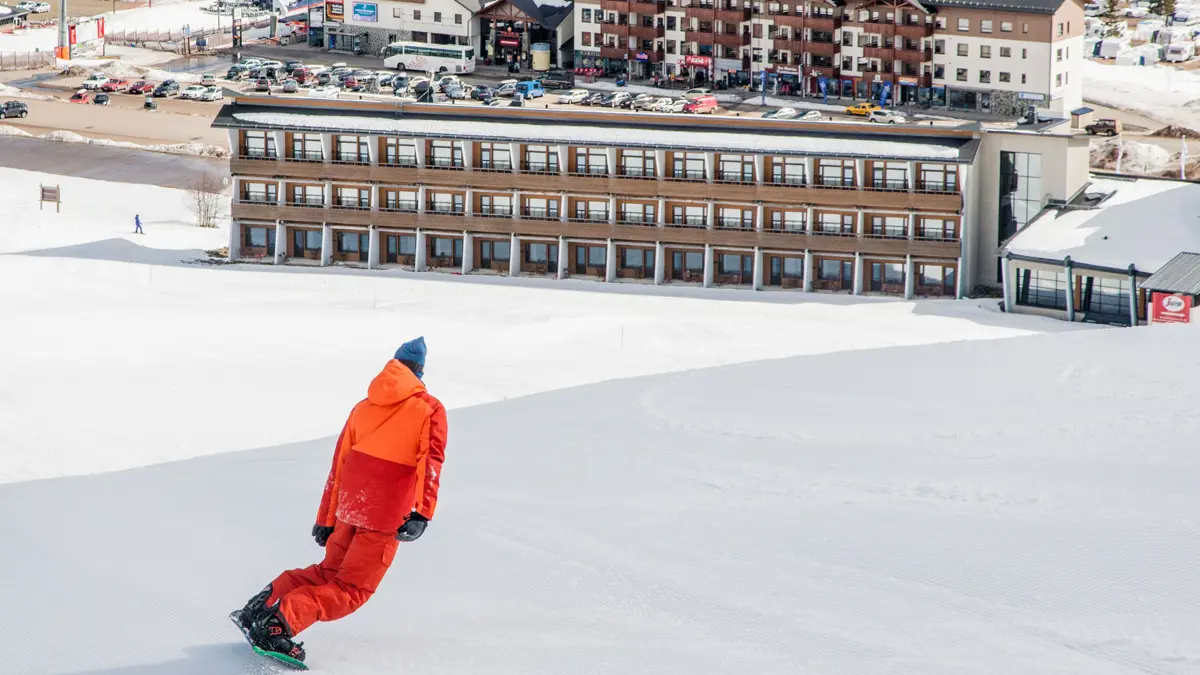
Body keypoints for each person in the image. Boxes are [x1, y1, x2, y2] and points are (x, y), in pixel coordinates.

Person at [236, 337, 448, 664]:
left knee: (326, 574)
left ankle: (259, 609)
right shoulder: (428, 409)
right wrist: (422, 513)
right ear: (419, 371)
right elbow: (430, 461)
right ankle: (278, 625)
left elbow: (339, 465)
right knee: (352, 590)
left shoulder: (363, 408)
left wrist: (327, 518)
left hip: (350, 508)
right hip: (384, 516)